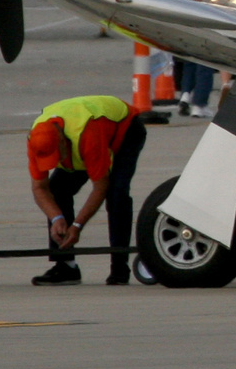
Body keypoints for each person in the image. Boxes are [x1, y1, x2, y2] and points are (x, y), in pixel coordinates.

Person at [26, 95, 146, 286]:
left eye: (56, 155)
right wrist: (57, 218)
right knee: (57, 190)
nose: (55, 161)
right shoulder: (36, 138)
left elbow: (100, 186)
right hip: (83, 139)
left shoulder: (87, 134)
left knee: (116, 196)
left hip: (124, 130)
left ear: (62, 140)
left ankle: (119, 268)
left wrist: (78, 225)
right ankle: (66, 266)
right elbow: (39, 188)